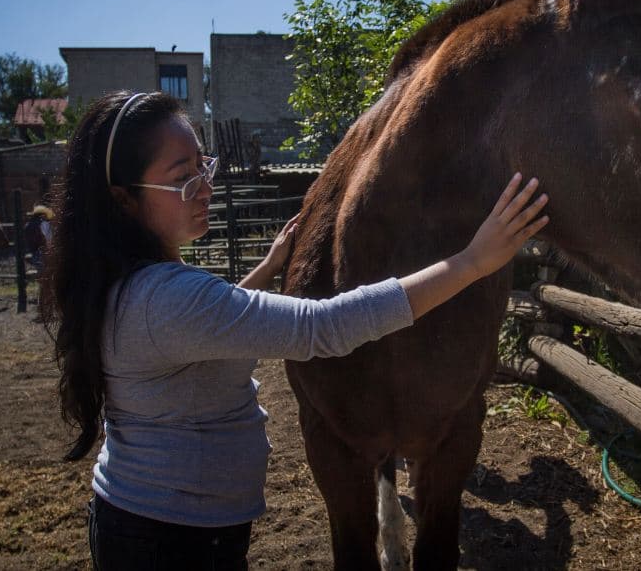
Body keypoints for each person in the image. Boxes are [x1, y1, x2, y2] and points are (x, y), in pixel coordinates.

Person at [38, 91, 549, 570]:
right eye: (182, 178)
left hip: (159, 518)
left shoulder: (130, 283)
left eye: (203, 166)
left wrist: (268, 265)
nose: (205, 187)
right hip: (171, 538)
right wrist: (471, 261)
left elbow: (210, 323)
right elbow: (322, 327)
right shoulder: (167, 299)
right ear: (124, 199)